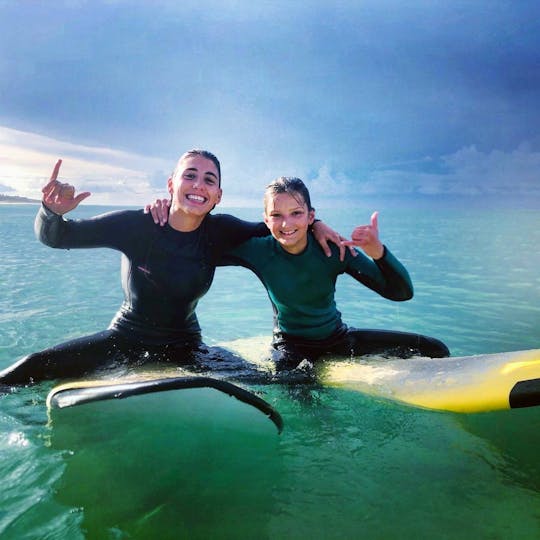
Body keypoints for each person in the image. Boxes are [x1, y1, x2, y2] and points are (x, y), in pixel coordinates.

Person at [0, 152, 345, 386]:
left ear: (218, 194)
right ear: (171, 184)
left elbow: (281, 225)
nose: (199, 185)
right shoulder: (138, 225)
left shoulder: (220, 231)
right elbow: (58, 237)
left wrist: (318, 224)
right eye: (190, 176)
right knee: (26, 371)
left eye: (209, 180)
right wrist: (49, 210)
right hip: (126, 339)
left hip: (186, 346)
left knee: (281, 381)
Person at [150, 176, 449, 370]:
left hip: (339, 339)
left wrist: (377, 252)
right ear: (266, 220)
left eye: (296, 214)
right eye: (277, 215)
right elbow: (198, 246)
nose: (286, 224)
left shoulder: (334, 250)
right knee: (300, 394)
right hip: (290, 349)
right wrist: (170, 213)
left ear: (311, 216)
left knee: (432, 349)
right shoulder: (258, 250)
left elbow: (400, 292)